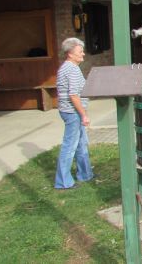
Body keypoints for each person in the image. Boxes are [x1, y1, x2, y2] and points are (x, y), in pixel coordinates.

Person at [54, 38, 94, 190]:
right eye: (80, 51)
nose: (83, 54)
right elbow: (73, 95)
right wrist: (83, 114)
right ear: (70, 54)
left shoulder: (70, 68)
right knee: (69, 146)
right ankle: (63, 182)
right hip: (72, 113)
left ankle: (85, 174)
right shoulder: (70, 69)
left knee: (81, 144)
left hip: (72, 112)